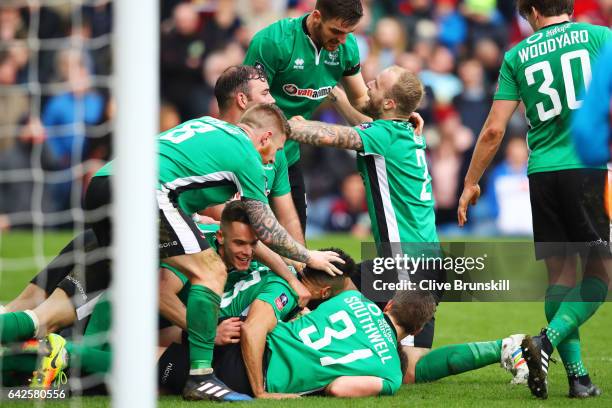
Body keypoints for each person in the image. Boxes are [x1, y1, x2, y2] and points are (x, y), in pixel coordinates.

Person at [457, 0, 611, 399]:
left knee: (560, 278)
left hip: (542, 173)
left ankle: (578, 379)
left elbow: (493, 130)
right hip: (589, 167)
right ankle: (545, 341)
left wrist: (471, 182)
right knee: (601, 275)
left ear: (530, 11)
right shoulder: (599, 38)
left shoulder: (516, 55)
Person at [287, 66, 441, 383]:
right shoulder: (401, 131)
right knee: (325, 277)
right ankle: (303, 349)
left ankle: (505, 350)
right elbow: (367, 127)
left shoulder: (385, 135)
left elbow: (331, 136)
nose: (368, 84)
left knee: (411, 372)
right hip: (412, 259)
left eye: (377, 84)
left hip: (407, 266)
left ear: (388, 104)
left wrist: (287, 125)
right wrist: (337, 98)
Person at [243, 0, 424, 235]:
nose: (342, 40)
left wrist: (398, 115)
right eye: (336, 31)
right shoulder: (273, 42)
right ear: (316, 17)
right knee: (247, 239)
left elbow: (361, 100)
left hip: (289, 155)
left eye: (349, 33)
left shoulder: (346, 48)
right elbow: (249, 103)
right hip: (254, 154)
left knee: (296, 242)